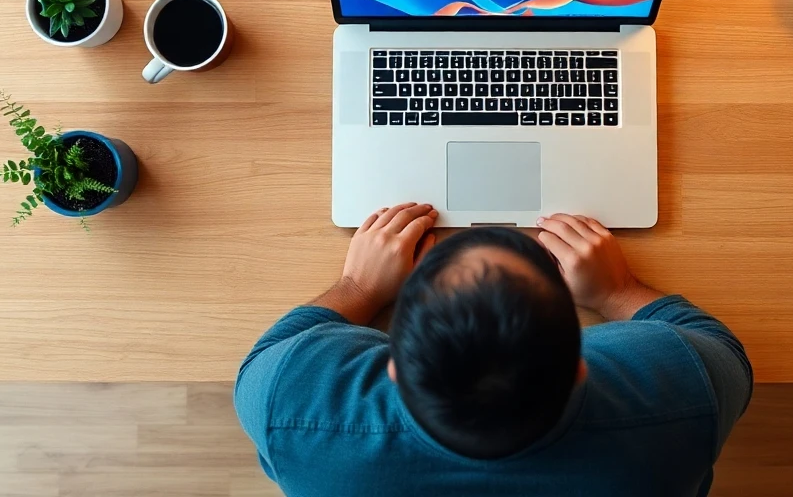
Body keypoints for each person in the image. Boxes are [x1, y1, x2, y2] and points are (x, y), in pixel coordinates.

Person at [234, 203, 752, 496]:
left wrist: (359, 289)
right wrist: (616, 291)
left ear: (393, 366)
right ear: (578, 369)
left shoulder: (294, 411)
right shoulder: (681, 399)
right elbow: (721, 349)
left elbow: (270, 354)